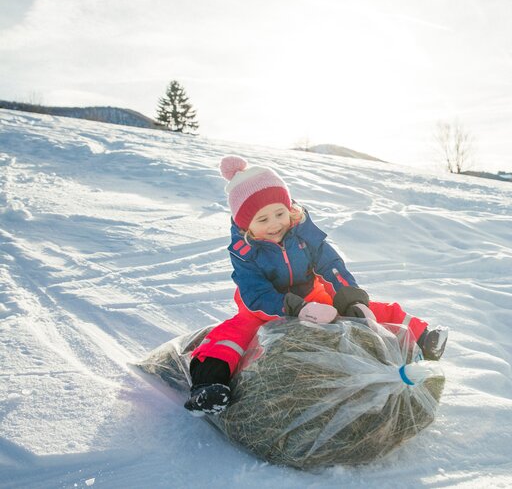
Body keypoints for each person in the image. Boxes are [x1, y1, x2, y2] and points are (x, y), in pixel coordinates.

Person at [184, 156, 448, 415]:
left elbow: (331, 266)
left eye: (280, 213)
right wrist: (295, 308)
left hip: (314, 296)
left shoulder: (303, 235)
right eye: (263, 220)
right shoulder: (244, 252)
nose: (275, 223)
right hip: (263, 309)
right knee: (232, 336)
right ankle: (209, 386)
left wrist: (351, 299)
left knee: (372, 310)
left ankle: (423, 337)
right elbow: (255, 293)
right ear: (246, 226)